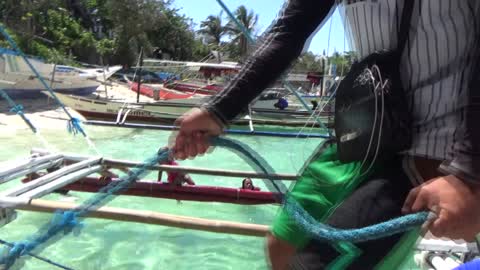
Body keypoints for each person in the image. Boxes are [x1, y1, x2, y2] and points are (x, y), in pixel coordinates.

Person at [171, 1, 480, 269]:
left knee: (311, 265)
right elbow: (291, 29)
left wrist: (469, 176)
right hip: (364, 134)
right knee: (282, 245)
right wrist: (218, 111)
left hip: (441, 145)